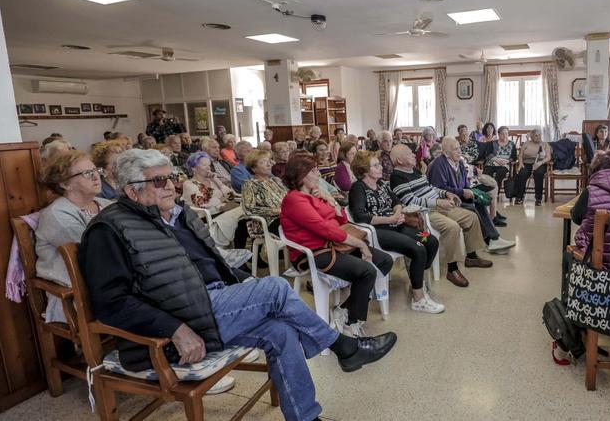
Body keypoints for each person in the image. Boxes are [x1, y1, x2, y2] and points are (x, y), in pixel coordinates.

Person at [79, 149, 396, 421]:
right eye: (160, 181)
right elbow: (111, 302)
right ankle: (343, 346)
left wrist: (247, 286)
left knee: (281, 331)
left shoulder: (177, 215)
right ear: (132, 190)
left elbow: (214, 266)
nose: (172, 186)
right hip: (178, 326)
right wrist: (175, 328)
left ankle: (306, 416)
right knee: (275, 287)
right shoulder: (110, 230)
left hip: (211, 305)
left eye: (172, 177)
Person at [280, 154, 393, 336]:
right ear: (301, 175)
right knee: (367, 270)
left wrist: (330, 200)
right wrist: (360, 244)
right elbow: (325, 229)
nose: (318, 173)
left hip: (333, 245)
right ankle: (351, 323)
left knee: (384, 260)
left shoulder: (314, 195)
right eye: (313, 170)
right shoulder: (294, 199)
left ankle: (343, 309)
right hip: (314, 252)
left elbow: (341, 220)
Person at [348, 151, 444, 313]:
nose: (380, 167)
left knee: (431, 240)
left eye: (379, 164)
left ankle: (416, 280)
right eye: (375, 165)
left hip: (395, 225)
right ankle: (419, 299)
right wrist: (389, 220)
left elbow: (397, 202)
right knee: (418, 248)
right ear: (364, 170)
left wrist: (397, 214)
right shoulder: (358, 188)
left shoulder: (382, 185)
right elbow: (360, 216)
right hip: (378, 232)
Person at [388, 145, 493, 287]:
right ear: (400, 160)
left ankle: (472, 257)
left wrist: (446, 193)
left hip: (438, 205)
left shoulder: (415, 170)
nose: (414, 155)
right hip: (424, 213)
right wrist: (437, 202)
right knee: (452, 227)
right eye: (409, 153)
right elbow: (410, 201)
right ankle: (452, 269)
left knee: (471, 217)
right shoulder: (397, 176)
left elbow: (430, 188)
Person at [35, 151, 113, 324]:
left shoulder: (107, 204)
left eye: (96, 170)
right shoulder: (57, 214)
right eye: (87, 173)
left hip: (108, 282)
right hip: (79, 294)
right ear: (65, 184)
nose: (96, 176)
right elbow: (97, 253)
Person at [241, 150, 287, 236]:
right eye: (263, 162)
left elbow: (289, 197)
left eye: (269, 161)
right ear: (253, 168)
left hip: (286, 216)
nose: (269, 165)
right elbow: (249, 209)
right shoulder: (250, 184)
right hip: (268, 222)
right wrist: (276, 211)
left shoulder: (275, 181)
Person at [513, 128, 551, 206]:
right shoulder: (526, 143)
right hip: (526, 163)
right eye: (536, 136)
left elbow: (548, 157)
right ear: (531, 137)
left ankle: (538, 198)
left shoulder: (545, 144)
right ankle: (519, 197)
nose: (538, 137)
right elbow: (520, 155)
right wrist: (520, 163)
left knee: (539, 174)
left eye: (539, 135)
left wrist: (540, 163)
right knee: (521, 173)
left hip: (539, 163)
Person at [482, 125, 517, 200]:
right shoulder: (492, 143)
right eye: (502, 134)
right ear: (498, 134)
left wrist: (506, 161)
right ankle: (486, 192)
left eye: (506, 134)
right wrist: (497, 160)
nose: (505, 135)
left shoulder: (511, 144)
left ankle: (495, 193)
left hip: (504, 165)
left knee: (500, 174)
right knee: (486, 173)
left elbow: (514, 157)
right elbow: (488, 154)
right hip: (492, 162)